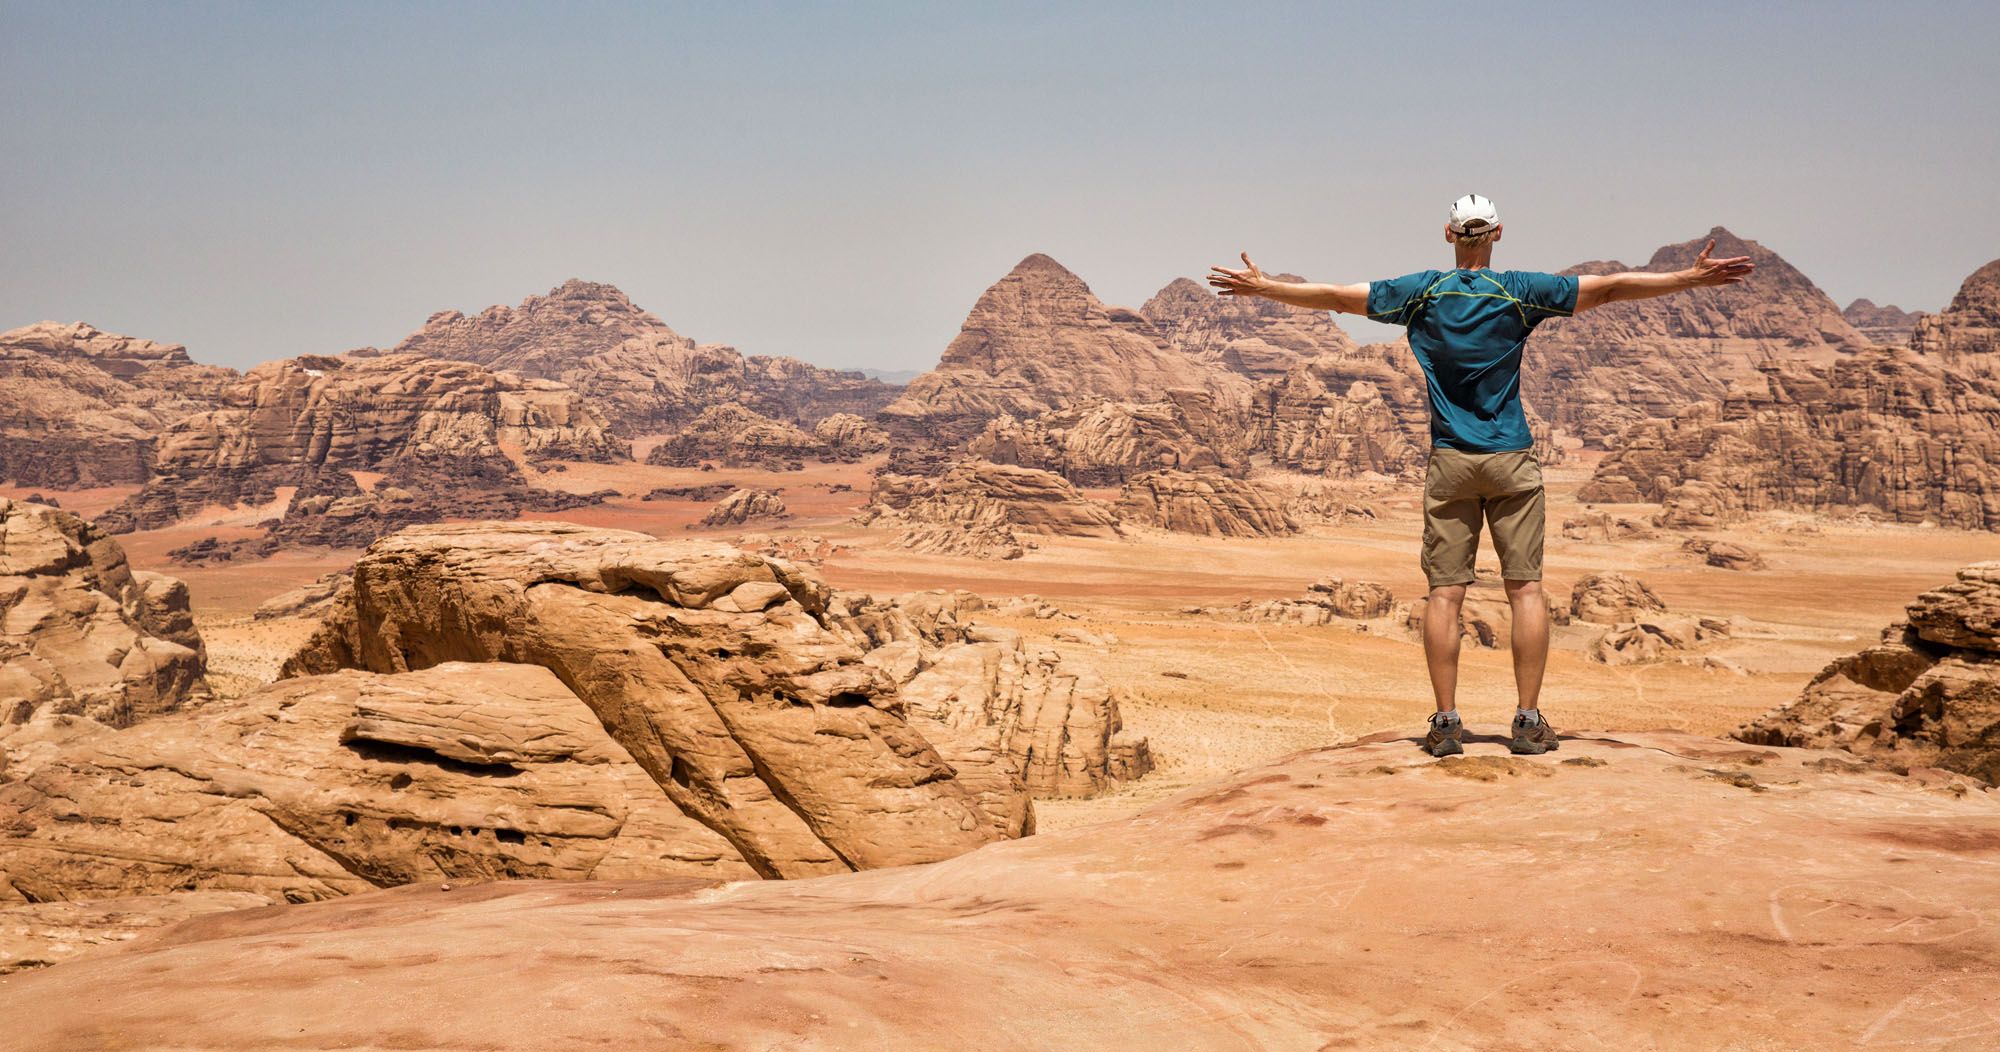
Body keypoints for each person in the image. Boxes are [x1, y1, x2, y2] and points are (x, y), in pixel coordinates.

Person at [1207, 194, 1754, 756]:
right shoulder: (1519, 291)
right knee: (1526, 591)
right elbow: (1611, 287)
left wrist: (1265, 287)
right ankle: (1527, 721)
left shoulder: (1420, 293)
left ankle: (1445, 725)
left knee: (1444, 596)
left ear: (1449, 235)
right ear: (1497, 234)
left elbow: (1338, 298)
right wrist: (1690, 279)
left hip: (1450, 462)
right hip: (1511, 458)